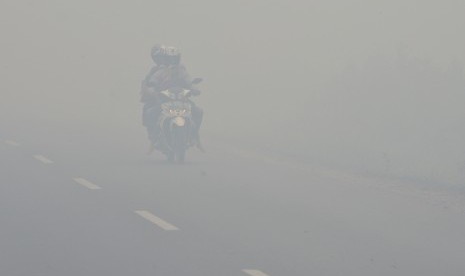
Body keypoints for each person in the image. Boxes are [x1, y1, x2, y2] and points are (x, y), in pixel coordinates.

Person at [140, 45, 203, 152]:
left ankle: (194, 136)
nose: (172, 61)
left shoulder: (182, 70)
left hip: (182, 100)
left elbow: (189, 81)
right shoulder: (160, 71)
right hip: (164, 100)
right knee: (151, 112)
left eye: (174, 59)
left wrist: (194, 88)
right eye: (170, 59)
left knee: (198, 111)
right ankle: (154, 138)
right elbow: (153, 81)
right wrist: (151, 88)